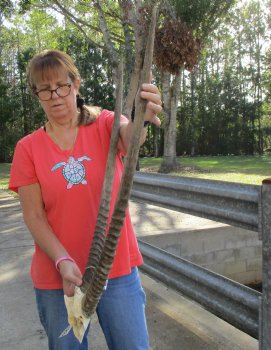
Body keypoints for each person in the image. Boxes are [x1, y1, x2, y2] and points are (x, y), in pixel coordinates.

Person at [9, 49, 162, 350]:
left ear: (76, 84)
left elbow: (131, 140)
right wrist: (62, 260)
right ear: (36, 94)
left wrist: (141, 116)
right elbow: (34, 216)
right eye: (45, 89)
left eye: (62, 86)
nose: (55, 96)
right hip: (58, 278)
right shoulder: (27, 148)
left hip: (115, 269)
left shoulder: (105, 123)